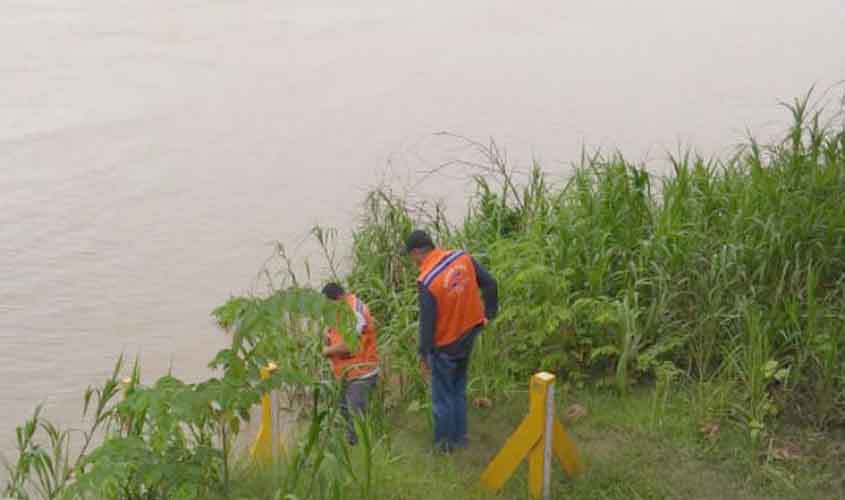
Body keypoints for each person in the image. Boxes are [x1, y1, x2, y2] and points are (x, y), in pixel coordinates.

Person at [404, 230, 498, 452]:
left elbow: (427, 323)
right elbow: (490, 283)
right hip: (469, 333)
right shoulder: (462, 257)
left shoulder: (427, 280)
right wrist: (489, 313)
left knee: (442, 398)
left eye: (411, 256)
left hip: (446, 344)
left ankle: (444, 447)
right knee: (458, 389)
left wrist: (423, 355)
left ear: (417, 253)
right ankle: (461, 439)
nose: (412, 261)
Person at [321, 282, 380, 445]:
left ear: (339, 298)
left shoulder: (355, 311)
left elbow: (349, 345)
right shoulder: (339, 309)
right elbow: (333, 333)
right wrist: (327, 336)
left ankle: (362, 450)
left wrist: (326, 351)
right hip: (345, 374)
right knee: (346, 414)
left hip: (361, 373)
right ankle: (353, 448)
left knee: (356, 416)